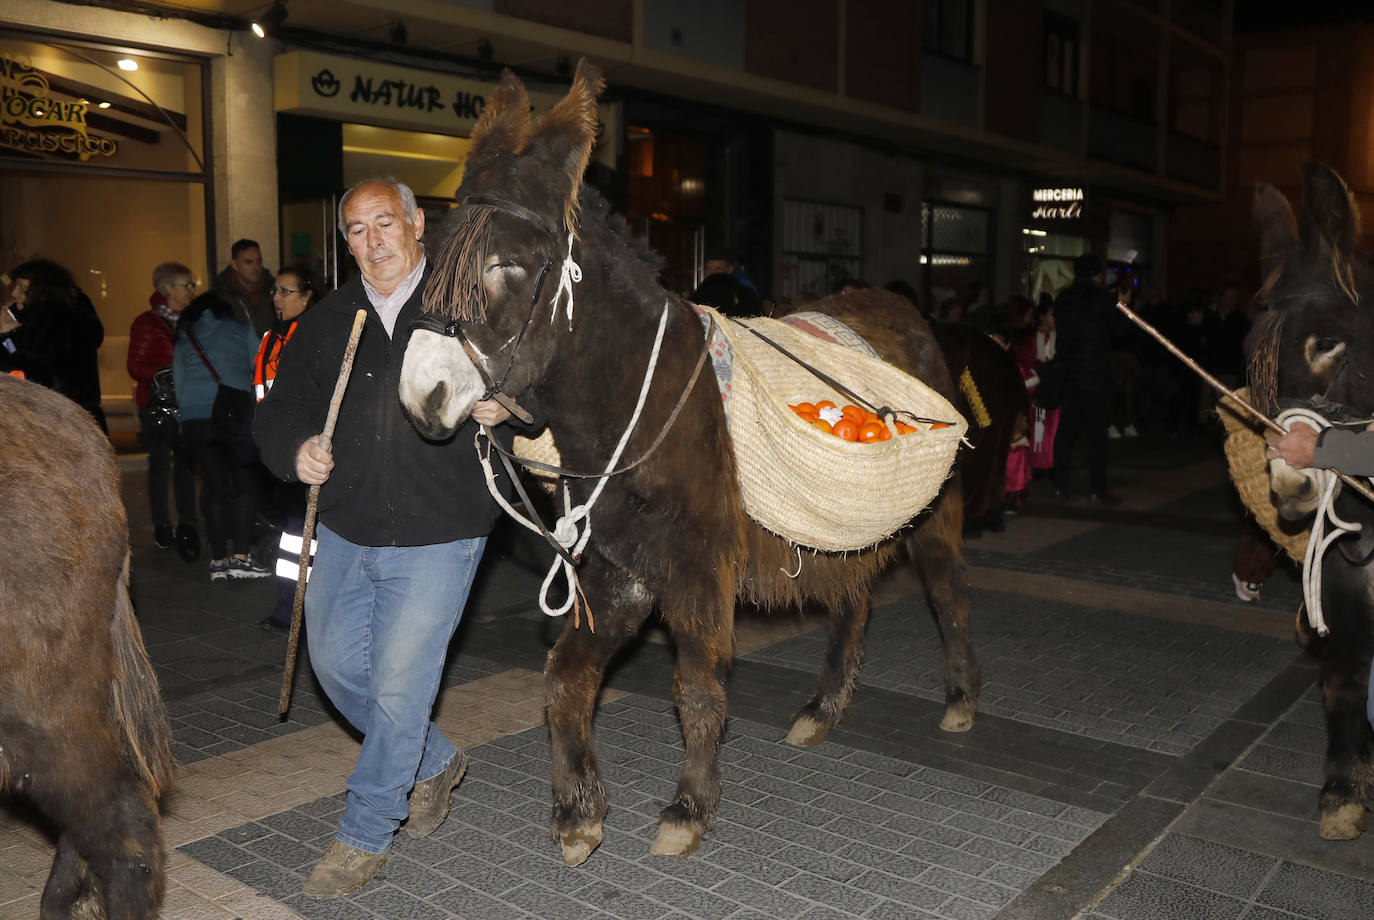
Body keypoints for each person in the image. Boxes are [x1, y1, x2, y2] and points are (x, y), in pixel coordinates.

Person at [254, 178, 530, 898]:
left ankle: (366, 831)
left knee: (402, 685)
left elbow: (537, 382)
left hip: (445, 526)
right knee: (339, 667)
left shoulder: (467, 307)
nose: (372, 240)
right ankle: (432, 762)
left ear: (416, 226)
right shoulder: (328, 320)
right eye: (356, 229)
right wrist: (296, 450)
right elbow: (279, 411)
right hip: (347, 524)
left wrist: (509, 406)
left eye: (385, 223)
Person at [173, 290, 269, 581]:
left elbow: (179, 378)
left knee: (214, 487)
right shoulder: (239, 327)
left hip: (195, 418)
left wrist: (189, 410)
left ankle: (217, 561)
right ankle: (241, 558)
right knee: (243, 485)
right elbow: (259, 362)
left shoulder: (186, 333)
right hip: (232, 413)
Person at [252, 264, 325, 632]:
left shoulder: (314, 334)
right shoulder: (271, 337)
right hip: (278, 450)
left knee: (302, 535)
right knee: (293, 537)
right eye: (275, 291)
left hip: (307, 451)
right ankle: (290, 608)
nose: (278, 298)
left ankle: (295, 611)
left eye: (287, 291)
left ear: (308, 294)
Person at [128, 262, 201, 558]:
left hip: (188, 403)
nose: (192, 291)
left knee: (185, 466)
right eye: (186, 285)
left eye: (192, 285)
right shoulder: (147, 323)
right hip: (157, 406)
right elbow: (135, 365)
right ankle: (162, 526)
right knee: (160, 465)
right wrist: (169, 373)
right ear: (166, 289)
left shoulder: (195, 320)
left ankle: (188, 525)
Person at [1051, 253, 1128, 505]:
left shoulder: (1062, 299)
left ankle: (1060, 485)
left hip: (1070, 375)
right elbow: (1119, 333)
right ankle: (1098, 488)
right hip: (1096, 376)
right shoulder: (1103, 299)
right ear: (1096, 274)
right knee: (1097, 435)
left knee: (1066, 434)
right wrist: (1123, 307)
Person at [2, 259, 106, 431]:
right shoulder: (64, 318)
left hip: (57, 424)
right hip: (76, 422)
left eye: (21, 287)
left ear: (42, 291)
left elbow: (30, 375)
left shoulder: (53, 324)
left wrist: (7, 336)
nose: (14, 293)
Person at [212, 239, 276, 336]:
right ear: (234, 264)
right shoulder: (221, 295)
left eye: (259, 261)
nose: (256, 266)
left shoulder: (273, 289)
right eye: (248, 262)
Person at [690, 248, 761, 317]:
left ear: (730, 269)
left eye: (718, 268)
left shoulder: (745, 292)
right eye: (708, 268)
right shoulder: (702, 290)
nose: (712, 272)